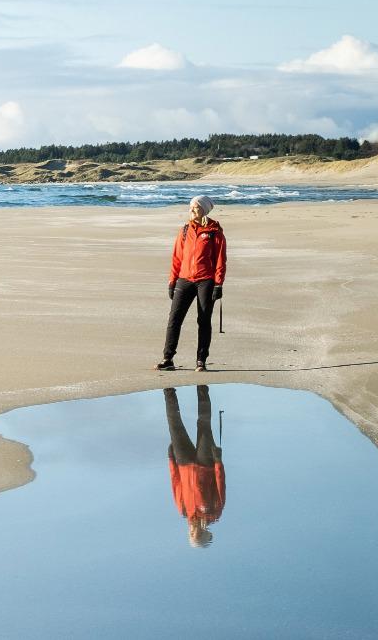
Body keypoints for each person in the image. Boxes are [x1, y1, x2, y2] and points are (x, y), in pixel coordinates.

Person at [158, 195, 227, 372]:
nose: (192, 210)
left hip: (206, 281)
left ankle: (201, 360)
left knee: (203, 320)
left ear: (204, 210)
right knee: (174, 319)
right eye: (191, 207)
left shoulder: (214, 231)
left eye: (195, 207)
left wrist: (218, 284)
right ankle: (167, 358)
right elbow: (177, 258)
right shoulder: (184, 230)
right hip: (184, 280)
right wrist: (172, 281)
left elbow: (220, 259)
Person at [164, 385, 225, 548]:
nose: (193, 532)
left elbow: (175, 483)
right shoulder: (215, 512)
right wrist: (218, 461)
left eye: (191, 535)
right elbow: (220, 485)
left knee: (174, 425)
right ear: (204, 533)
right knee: (204, 425)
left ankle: (168, 390)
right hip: (206, 465)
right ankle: (202, 387)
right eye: (196, 535)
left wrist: (171, 460)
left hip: (183, 464)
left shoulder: (183, 510)